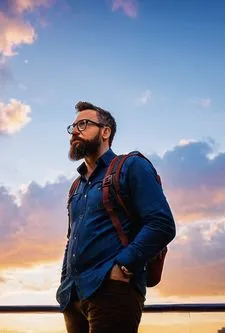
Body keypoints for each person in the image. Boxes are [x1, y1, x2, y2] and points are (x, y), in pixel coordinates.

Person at [56, 101, 176, 333]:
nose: (75, 132)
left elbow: (162, 224)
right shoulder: (76, 186)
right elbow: (71, 240)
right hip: (73, 295)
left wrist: (122, 267)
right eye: (72, 127)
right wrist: (64, 283)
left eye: (83, 124)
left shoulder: (131, 166)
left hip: (112, 292)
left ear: (105, 131)